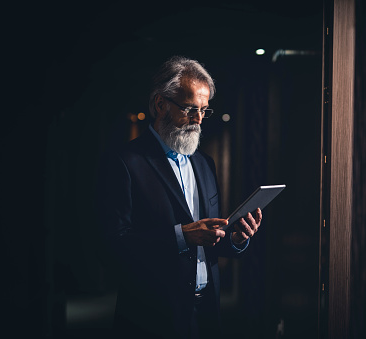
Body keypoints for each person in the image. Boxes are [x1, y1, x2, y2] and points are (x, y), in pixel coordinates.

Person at [98, 56, 262, 339]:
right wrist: (181, 236)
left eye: (204, 110)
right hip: (150, 318)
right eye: (189, 109)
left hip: (205, 314)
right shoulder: (125, 162)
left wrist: (235, 239)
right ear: (160, 104)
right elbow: (112, 246)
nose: (198, 120)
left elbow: (209, 240)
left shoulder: (204, 163)